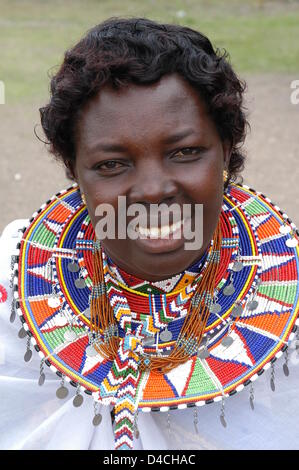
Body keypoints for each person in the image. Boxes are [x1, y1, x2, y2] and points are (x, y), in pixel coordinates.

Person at [0, 17, 298, 451]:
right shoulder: (12, 292)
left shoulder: (286, 304)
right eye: (111, 164)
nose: (154, 190)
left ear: (226, 152)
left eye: (185, 152)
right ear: (74, 173)